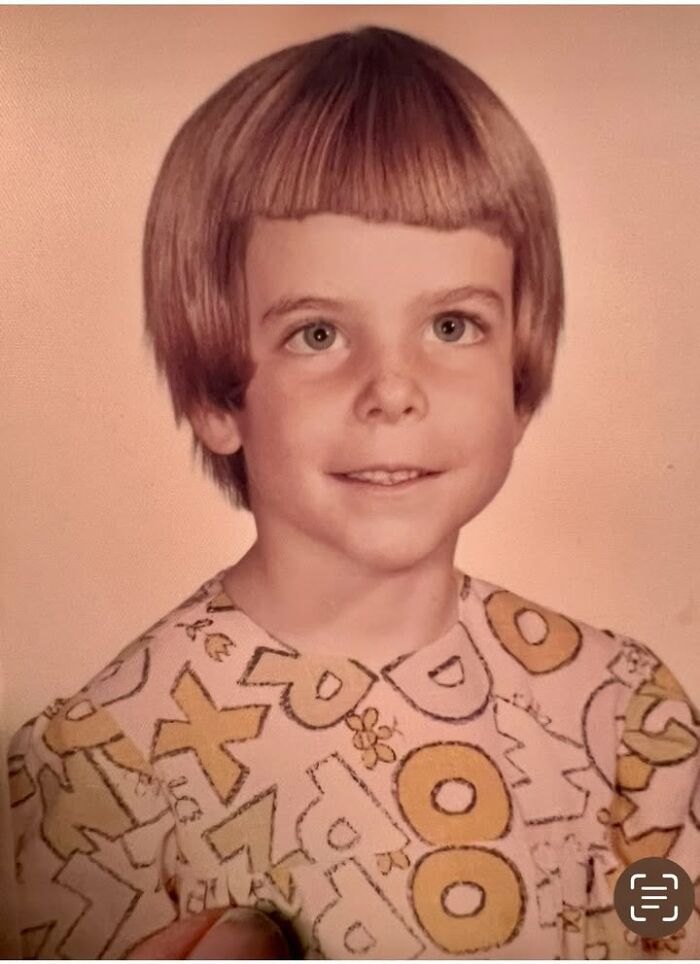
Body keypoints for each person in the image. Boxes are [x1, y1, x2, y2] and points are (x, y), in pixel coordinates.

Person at [6, 24, 699, 961]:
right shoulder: (92, 776)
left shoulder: (625, 718)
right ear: (219, 395)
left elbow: (668, 929)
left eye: (453, 325)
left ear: (520, 384)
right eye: (319, 335)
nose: (393, 390)